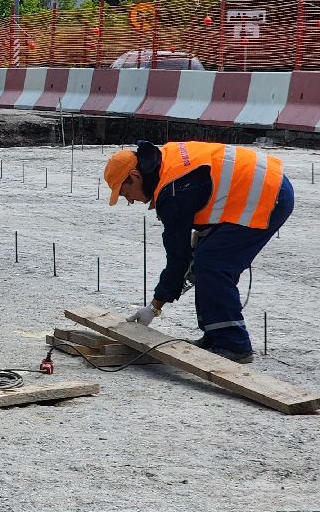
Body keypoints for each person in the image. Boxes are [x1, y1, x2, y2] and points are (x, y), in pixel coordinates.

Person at [104, 140, 294, 364]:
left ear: (135, 176)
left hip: (267, 196)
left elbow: (178, 259)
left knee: (212, 264)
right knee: (206, 260)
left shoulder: (172, 190)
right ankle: (215, 337)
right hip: (264, 185)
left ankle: (233, 345)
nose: (129, 200)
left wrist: (154, 308)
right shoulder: (166, 163)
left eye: (125, 192)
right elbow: (205, 188)